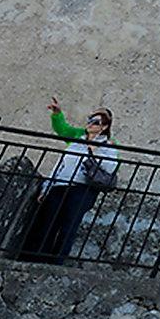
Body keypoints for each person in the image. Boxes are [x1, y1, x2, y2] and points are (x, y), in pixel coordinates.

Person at [18, 98, 117, 262]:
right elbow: (61, 164)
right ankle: (36, 258)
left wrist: (95, 151)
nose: (91, 123)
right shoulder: (77, 140)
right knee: (47, 222)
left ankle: (56, 261)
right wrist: (47, 186)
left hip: (82, 189)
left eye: (96, 121)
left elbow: (110, 167)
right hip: (60, 185)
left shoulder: (108, 145)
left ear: (104, 127)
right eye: (90, 119)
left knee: (68, 225)